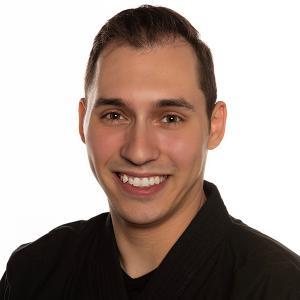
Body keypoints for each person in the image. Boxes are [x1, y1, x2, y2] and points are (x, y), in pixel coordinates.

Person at [1, 4, 300, 300]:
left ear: (214, 126)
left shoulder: (281, 287)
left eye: (170, 118)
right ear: (83, 121)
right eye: (115, 116)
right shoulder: (32, 274)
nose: (139, 151)